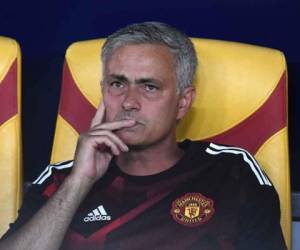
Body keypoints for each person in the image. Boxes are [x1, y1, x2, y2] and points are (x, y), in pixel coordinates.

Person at [0, 22, 287, 250]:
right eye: (117, 84)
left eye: (149, 86)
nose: (128, 102)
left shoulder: (232, 174)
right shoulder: (61, 180)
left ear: (183, 102)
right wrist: (79, 183)